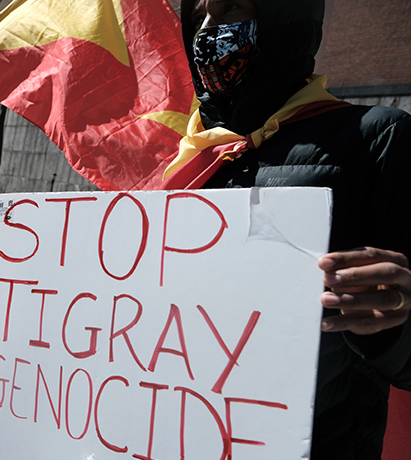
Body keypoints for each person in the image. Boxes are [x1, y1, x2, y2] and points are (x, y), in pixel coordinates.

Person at [162, 1, 411, 458]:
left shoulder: (376, 139)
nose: (208, 31)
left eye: (230, 9)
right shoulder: (192, 158)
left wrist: (397, 319)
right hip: (190, 435)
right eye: (200, 17)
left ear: (288, 20)